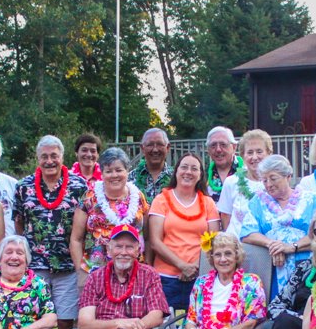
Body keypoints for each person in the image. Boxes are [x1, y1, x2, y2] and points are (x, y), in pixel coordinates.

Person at [13, 135, 89, 329]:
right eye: (44, 156)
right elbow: (19, 223)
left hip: (68, 264)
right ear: (38, 159)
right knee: (40, 322)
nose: (49, 161)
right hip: (36, 266)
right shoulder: (24, 187)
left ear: (62, 157)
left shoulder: (79, 186)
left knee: (66, 322)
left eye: (53, 155)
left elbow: (84, 227)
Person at [147, 153, 220, 310]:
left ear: (200, 175)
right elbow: (155, 241)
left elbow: (214, 240)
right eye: (184, 167)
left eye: (194, 168)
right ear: (176, 171)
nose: (188, 172)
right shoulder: (161, 200)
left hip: (200, 276)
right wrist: (182, 265)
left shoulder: (208, 203)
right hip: (166, 278)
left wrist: (195, 266)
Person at [240, 154, 316, 293]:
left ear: (288, 176)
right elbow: (247, 233)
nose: (269, 184)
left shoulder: (311, 199)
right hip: (273, 267)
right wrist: (274, 245)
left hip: (307, 265)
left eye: (273, 178)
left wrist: (291, 247)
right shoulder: (257, 202)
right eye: (264, 180)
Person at [71, 146, 149, 278]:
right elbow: (76, 239)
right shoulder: (89, 197)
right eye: (109, 171)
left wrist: (148, 266)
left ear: (127, 171)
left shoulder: (138, 197)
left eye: (119, 170)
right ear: (102, 173)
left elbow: (147, 237)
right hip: (94, 273)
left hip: (133, 273)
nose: (114, 175)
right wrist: (80, 272)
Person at [218, 129, 270, 237]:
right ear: (242, 155)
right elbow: (225, 217)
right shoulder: (231, 182)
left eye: (259, 152)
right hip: (237, 246)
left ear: (269, 153)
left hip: (267, 245)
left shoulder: (274, 183)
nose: (254, 157)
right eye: (250, 152)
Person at [130, 128, 174, 202]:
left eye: (160, 144)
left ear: (168, 147)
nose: (155, 150)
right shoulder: (129, 180)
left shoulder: (176, 179)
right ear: (142, 148)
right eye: (150, 145)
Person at [205, 126, 241, 203]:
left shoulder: (247, 172)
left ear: (234, 147)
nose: (218, 149)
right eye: (213, 145)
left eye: (223, 144)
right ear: (208, 150)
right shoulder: (203, 176)